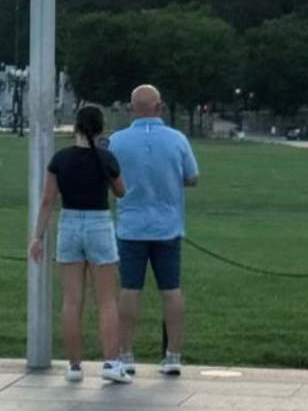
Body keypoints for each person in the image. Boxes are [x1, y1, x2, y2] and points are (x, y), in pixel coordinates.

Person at [29, 104, 130, 384]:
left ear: (75, 127)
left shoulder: (61, 159)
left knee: (72, 301)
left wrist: (38, 236)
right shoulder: (106, 158)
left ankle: (74, 366)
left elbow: (48, 200)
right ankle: (112, 362)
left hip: (69, 224)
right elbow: (121, 191)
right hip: (98, 224)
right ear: (101, 129)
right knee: (106, 300)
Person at [108, 85, 199, 376]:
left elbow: (110, 178)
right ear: (159, 107)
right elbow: (192, 177)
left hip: (131, 227)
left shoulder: (117, 141)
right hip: (167, 227)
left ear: (131, 108)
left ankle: (125, 354)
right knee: (171, 290)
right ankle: (173, 355)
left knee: (129, 290)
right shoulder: (177, 139)